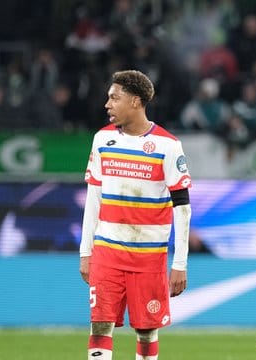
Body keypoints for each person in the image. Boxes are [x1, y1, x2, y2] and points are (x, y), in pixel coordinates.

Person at [79, 70, 192, 360]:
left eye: (114, 98)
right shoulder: (102, 139)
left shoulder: (168, 145)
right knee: (100, 324)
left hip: (149, 258)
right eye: (108, 98)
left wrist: (179, 263)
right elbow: (94, 197)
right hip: (107, 252)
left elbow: (182, 207)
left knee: (146, 331)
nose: (107, 104)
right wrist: (85, 251)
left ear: (135, 101)